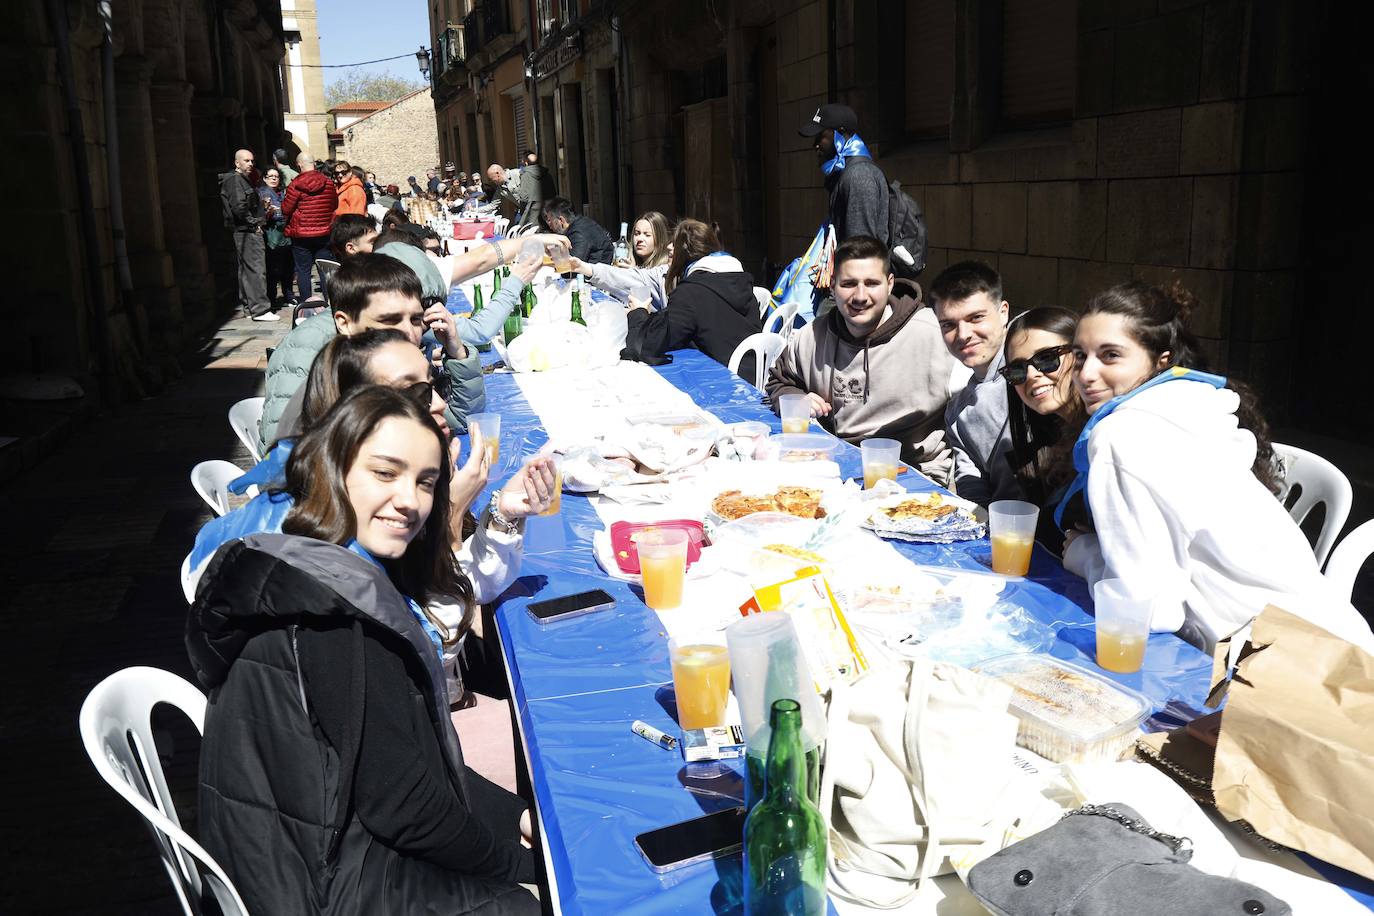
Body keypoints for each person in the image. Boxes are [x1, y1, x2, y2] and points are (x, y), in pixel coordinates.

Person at [188, 386, 542, 915]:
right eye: (385, 473)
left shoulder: (313, 565)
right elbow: (405, 807)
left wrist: (516, 816)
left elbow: (405, 763)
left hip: (305, 845)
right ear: (336, 471)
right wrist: (532, 872)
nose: (410, 499)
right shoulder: (334, 616)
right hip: (318, 886)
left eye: (425, 482)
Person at [1059, 281, 1374, 654]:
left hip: (1273, 669)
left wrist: (1082, 554)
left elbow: (1147, 609)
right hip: (1341, 642)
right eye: (1080, 356)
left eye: (1110, 355)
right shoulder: (1190, 404)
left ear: (1161, 359)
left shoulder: (1121, 435)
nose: (1086, 373)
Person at [258, 252, 511, 448]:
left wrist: (456, 351)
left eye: (415, 320)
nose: (409, 334)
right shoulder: (316, 369)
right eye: (389, 321)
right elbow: (285, 473)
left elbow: (461, 418)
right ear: (344, 323)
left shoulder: (386, 364)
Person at [766, 235, 962, 481]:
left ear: (889, 284)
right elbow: (779, 380)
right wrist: (797, 399)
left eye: (871, 283)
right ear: (833, 285)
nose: (860, 296)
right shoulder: (812, 336)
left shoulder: (933, 334)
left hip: (913, 474)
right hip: (833, 466)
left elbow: (984, 386)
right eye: (849, 284)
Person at [929, 260, 1022, 505]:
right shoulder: (957, 412)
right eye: (948, 324)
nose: (963, 335)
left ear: (1003, 312)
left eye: (976, 318)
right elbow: (973, 486)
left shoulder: (1039, 372)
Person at [621, 219, 761, 377]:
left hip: (721, 384)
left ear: (684, 253)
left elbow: (646, 346)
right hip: (752, 377)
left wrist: (638, 313)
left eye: (674, 243)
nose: (668, 247)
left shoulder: (691, 292)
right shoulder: (740, 282)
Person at [999, 307, 1085, 553]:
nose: (1032, 375)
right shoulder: (1043, 451)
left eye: (1047, 358)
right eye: (1017, 370)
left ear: (1081, 355)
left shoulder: (1110, 437)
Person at [799, 103, 887, 245]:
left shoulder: (859, 175)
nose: (815, 144)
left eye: (820, 136)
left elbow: (860, 249)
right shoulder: (847, 172)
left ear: (840, 133)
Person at [219, 148, 275, 321]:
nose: (251, 164)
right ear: (237, 163)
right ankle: (260, 310)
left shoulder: (242, 180)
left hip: (246, 229)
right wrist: (254, 224)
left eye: (252, 161)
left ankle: (250, 308)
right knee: (256, 270)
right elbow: (239, 207)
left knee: (247, 271)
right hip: (247, 231)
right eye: (246, 161)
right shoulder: (235, 180)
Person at [282, 152, 338, 301]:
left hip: (301, 234)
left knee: (303, 271)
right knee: (324, 270)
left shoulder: (295, 185)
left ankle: (307, 303)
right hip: (324, 232)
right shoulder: (328, 183)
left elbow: (286, 209)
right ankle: (330, 303)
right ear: (313, 163)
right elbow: (334, 204)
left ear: (299, 164)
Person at [257, 166, 296, 306]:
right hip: (272, 235)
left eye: (276, 176)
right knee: (274, 269)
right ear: (264, 178)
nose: (274, 179)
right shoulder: (261, 193)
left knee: (288, 268)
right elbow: (260, 216)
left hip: (286, 235)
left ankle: (288, 295)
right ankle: (272, 299)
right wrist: (269, 212)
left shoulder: (283, 193)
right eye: (270, 176)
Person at [541, 197, 614, 264]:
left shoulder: (579, 233)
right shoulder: (580, 222)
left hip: (596, 273)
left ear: (561, 220)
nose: (550, 226)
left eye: (551, 221)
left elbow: (573, 265)